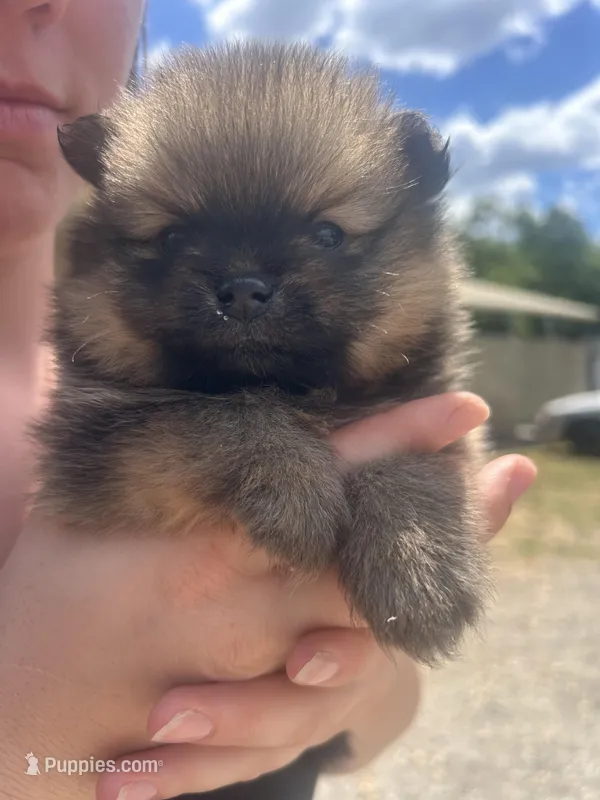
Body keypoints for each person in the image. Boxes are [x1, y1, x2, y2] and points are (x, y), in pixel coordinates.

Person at [0, 2, 537, 799]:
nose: (245, 286)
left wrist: (358, 678)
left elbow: (383, 700)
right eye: (175, 236)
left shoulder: (405, 395)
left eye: (326, 235)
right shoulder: (103, 403)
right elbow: (95, 461)